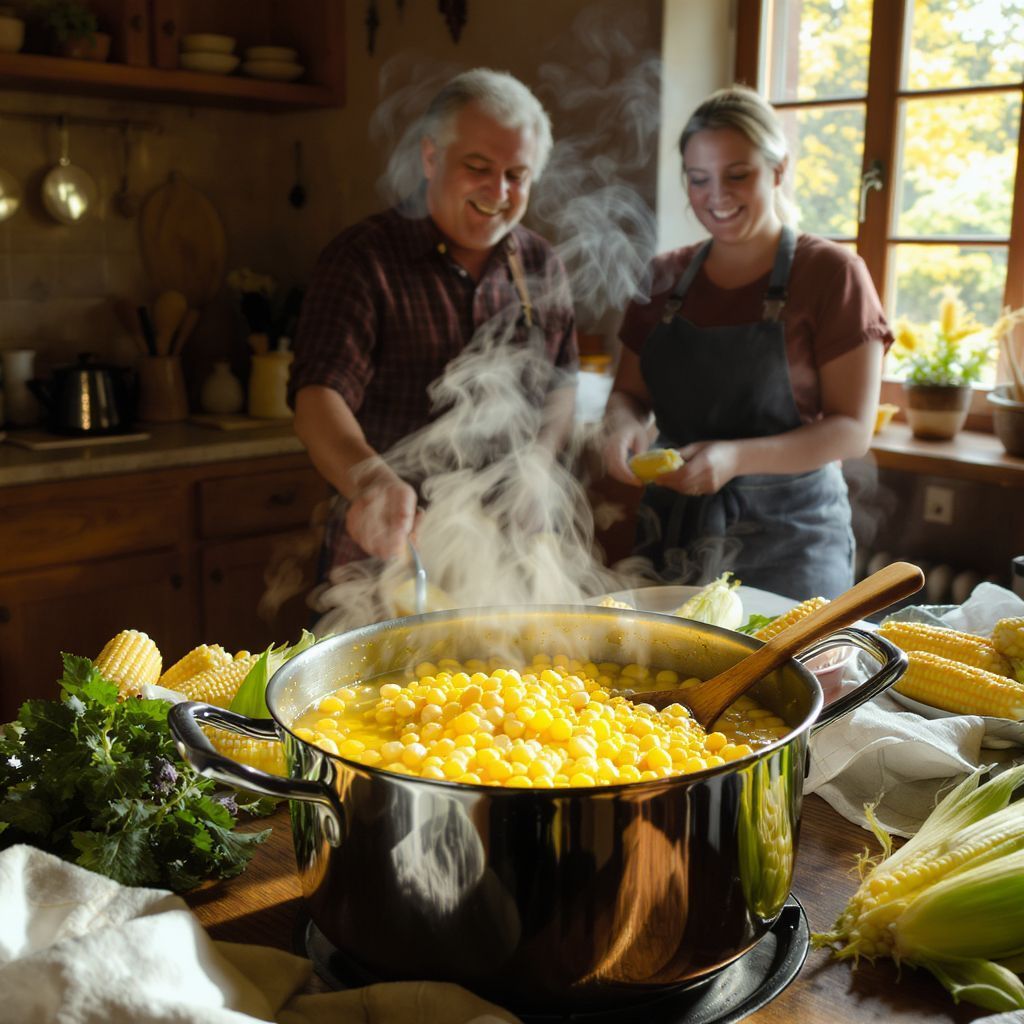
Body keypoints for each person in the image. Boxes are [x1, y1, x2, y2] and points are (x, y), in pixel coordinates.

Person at [601, 85, 891, 601]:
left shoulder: (832, 274)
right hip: (671, 536)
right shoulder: (664, 276)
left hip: (792, 544)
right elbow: (629, 394)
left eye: (738, 175)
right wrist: (621, 426)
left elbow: (852, 430)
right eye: (698, 179)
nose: (717, 196)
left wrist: (734, 458)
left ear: (778, 172)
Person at [290, 68, 578, 580]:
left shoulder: (540, 264)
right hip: (392, 554)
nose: (499, 190)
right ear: (430, 157)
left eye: (518, 175)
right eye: (478, 167)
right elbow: (318, 400)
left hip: (507, 557)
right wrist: (371, 483)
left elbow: (561, 382)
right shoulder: (363, 259)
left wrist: (537, 465)